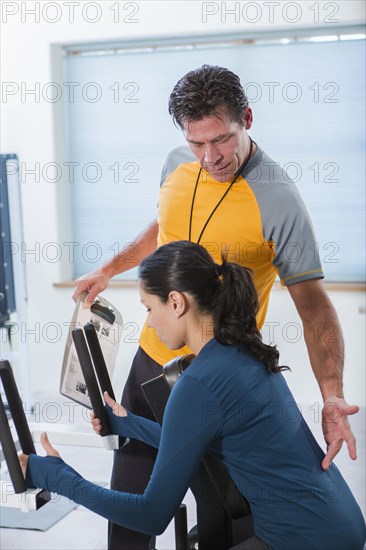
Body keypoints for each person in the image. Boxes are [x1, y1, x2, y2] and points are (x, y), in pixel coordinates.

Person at [72, 65, 359, 550]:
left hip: (213, 379)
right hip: (150, 360)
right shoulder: (176, 163)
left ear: (246, 118)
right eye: (197, 143)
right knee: (129, 502)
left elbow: (315, 308)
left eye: (221, 140)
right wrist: (110, 268)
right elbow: (162, 229)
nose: (210, 156)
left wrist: (332, 396)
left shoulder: (279, 199)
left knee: (223, 517)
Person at [21, 241, 366, 550]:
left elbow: (151, 515)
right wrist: (129, 424)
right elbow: (195, 440)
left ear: (175, 302)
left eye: (148, 308)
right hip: (335, 524)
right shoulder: (242, 349)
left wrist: (55, 476)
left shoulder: (199, 381)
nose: (151, 323)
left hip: (303, 540)